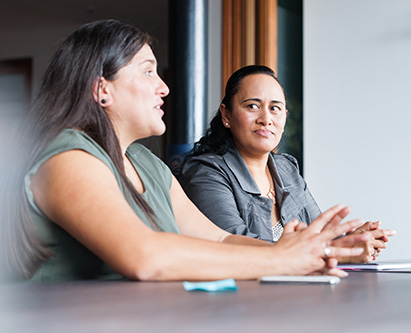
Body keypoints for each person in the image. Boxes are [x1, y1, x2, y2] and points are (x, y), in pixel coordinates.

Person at [0, 20, 368, 282]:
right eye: (147, 72)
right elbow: (144, 257)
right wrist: (281, 259)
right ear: (102, 90)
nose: (163, 87)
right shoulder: (69, 158)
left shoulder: (147, 164)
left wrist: (312, 250)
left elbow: (219, 238)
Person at [179, 65, 396, 263]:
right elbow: (234, 247)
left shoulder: (286, 169)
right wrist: (333, 251)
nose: (266, 118)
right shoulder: (205, 172)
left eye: (275, 108)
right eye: (253, 106)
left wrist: (350, 242)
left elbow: (318, 237)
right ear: (226, 115)